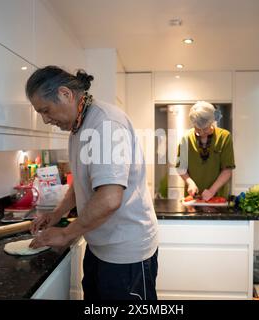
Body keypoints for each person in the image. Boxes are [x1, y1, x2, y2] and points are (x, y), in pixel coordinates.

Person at [25, 66, 159, 300]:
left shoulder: (105, 124)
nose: (45, 119)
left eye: (46, 110)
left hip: (126, 252)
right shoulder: (78, 127)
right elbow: (81, 183)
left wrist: (66, 234)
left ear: (65, 94)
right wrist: (56, 215)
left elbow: (109, 199)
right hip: (100, 245)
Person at [176, 101, 235, 200]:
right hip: (193, 199)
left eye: (205, 129)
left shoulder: (224, 137)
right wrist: (190, 182)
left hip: (217, 197)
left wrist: (212, 190)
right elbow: (181, 168)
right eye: (198, 129)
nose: (201, 132)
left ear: (212, 122)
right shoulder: (186, 139)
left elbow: (227, 170)